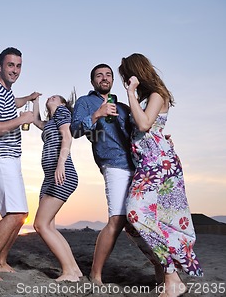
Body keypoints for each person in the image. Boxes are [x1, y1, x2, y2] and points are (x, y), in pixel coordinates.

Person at [119, 53, 203, 297]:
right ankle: (164, 269)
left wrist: (130, 93)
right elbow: (149, 130)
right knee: (132, 226)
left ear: (137, 72)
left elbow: (144, 125)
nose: (125, 79)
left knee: (135, 213)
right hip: (148, 164)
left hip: (158, 165)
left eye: (127, 74)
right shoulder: (148, 99)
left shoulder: (157, 94)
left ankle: (172, 278)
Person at [71, 63, 161, 285]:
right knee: (117, 218)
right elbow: (75, 130)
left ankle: (161, 270)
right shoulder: (85, 102)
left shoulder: (124, 106)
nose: (104, 78)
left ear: (112, 80)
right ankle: (96, 274)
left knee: (142, 221)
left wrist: (161, 140)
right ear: (93, 81)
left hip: (138, 165)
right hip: (113, 164)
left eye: (108, 75)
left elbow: (141, 129)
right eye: (99, 75)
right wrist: (97, 114)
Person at [0, 47, 40, 280]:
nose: (15, 70)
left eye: (18, 66)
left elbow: (12, 101)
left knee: (21, 214)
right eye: (10, 65)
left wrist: (29, 98)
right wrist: (20, 120)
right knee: (14, 215)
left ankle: (1, 261)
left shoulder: (4, 92)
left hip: (10, 159)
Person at [31, 93, 82, 282]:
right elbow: (36, 122)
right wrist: (34, 101)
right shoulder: (50, 122)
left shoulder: (62, 112)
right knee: (49, 226)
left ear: (62, 103)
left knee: (40, 224)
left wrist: (61, 163)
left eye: (54, 97)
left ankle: (68, 271)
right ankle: (74, 270)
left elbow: (67, 137)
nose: (50, 98)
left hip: (62, 174)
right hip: (49, 177)